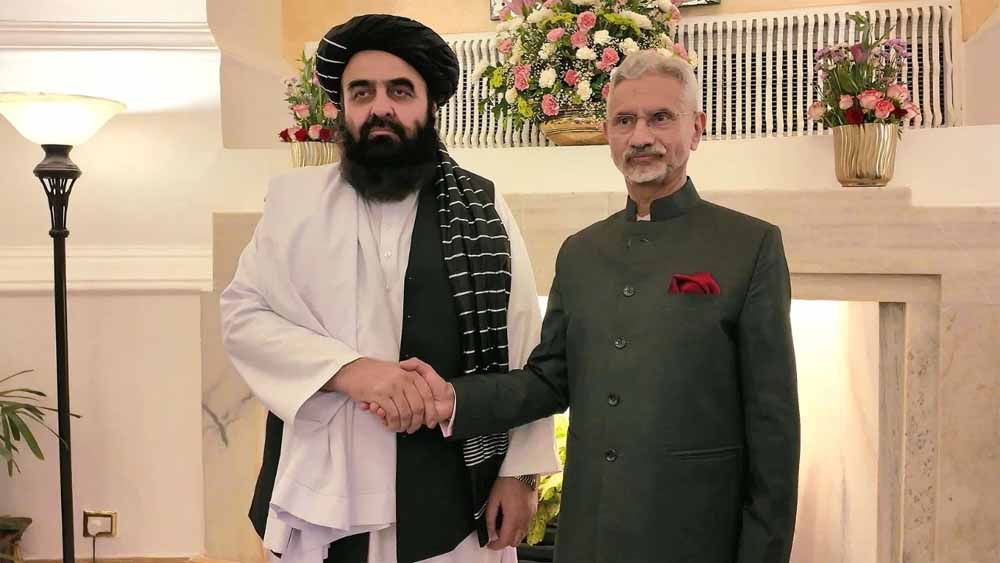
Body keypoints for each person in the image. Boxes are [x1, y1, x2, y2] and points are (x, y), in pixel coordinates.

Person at [378, 50, 801, 563]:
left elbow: (774, 429)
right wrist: (453, 398)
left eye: (660, 118)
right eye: (624, 121)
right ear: (608, 134)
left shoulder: (750, 245)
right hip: (589, 533)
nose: (640, 136)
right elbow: (548, 380)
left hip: (697, 535)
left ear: (696, 129)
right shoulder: (580, 252)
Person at [220, 14, 558, 563]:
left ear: (429, 106)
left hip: (450, 486)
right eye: (363, 92)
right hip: (324, 486)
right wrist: (350, 371)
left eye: (400, 91)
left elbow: (523, 344)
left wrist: (519, 474)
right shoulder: (293, 205)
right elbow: (244, 315)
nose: (381, 107)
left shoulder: (481, 206)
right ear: (343, 108)